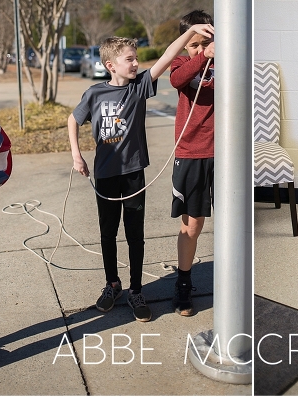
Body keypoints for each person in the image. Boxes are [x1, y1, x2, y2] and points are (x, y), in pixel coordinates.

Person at [68, 24, 214, 322]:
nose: (136, 64)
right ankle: (112, 284)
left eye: (136, 58)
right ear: (111, 65)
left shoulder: (139, 87)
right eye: (130, 59)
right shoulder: (94, 93)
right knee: (108, 232)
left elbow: (166, 58)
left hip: (134, 174)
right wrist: (76, 155)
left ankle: (136, 290)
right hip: (106, 175)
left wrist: (189, 33)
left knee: (135, 234)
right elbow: (73, 119)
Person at [169, 10, 215, 316]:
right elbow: (176, 80)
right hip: (192, 151)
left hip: (223, 152)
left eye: (204, 43)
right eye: (193, 44)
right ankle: (183, 284)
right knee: (193, 224)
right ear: (186, 44)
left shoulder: (224, 59)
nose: (199, 49)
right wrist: (203, 56)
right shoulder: (183, 62)